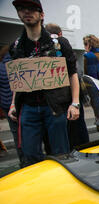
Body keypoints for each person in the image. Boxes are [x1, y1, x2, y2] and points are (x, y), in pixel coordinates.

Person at [8, 0, 80, 166]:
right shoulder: (17, 47)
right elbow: (18, 80)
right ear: (18, 14)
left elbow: (72, 73)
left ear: (41, 14)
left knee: (61, 154)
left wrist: (75, 103)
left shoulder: (59, 44)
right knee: (30, 155)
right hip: (28, 107)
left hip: (54, 107)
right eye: (22, 9)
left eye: (32, 9)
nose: (27, 12)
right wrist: (13, 104)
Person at [45, 23, 89, 149]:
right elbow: (74, 72)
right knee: (75, 135)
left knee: (60, 139)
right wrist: (76, 102)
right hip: (66, 98)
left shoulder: (56, 45)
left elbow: (73, 72)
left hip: (57, 100)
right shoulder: (61, 44)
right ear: (60, 34)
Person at [1, 44, 24, 163]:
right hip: (16, 103)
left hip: (6, 104)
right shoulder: (14, 64)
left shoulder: (2, 65)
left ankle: (22, 159)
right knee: (25, 133)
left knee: (17, 135)